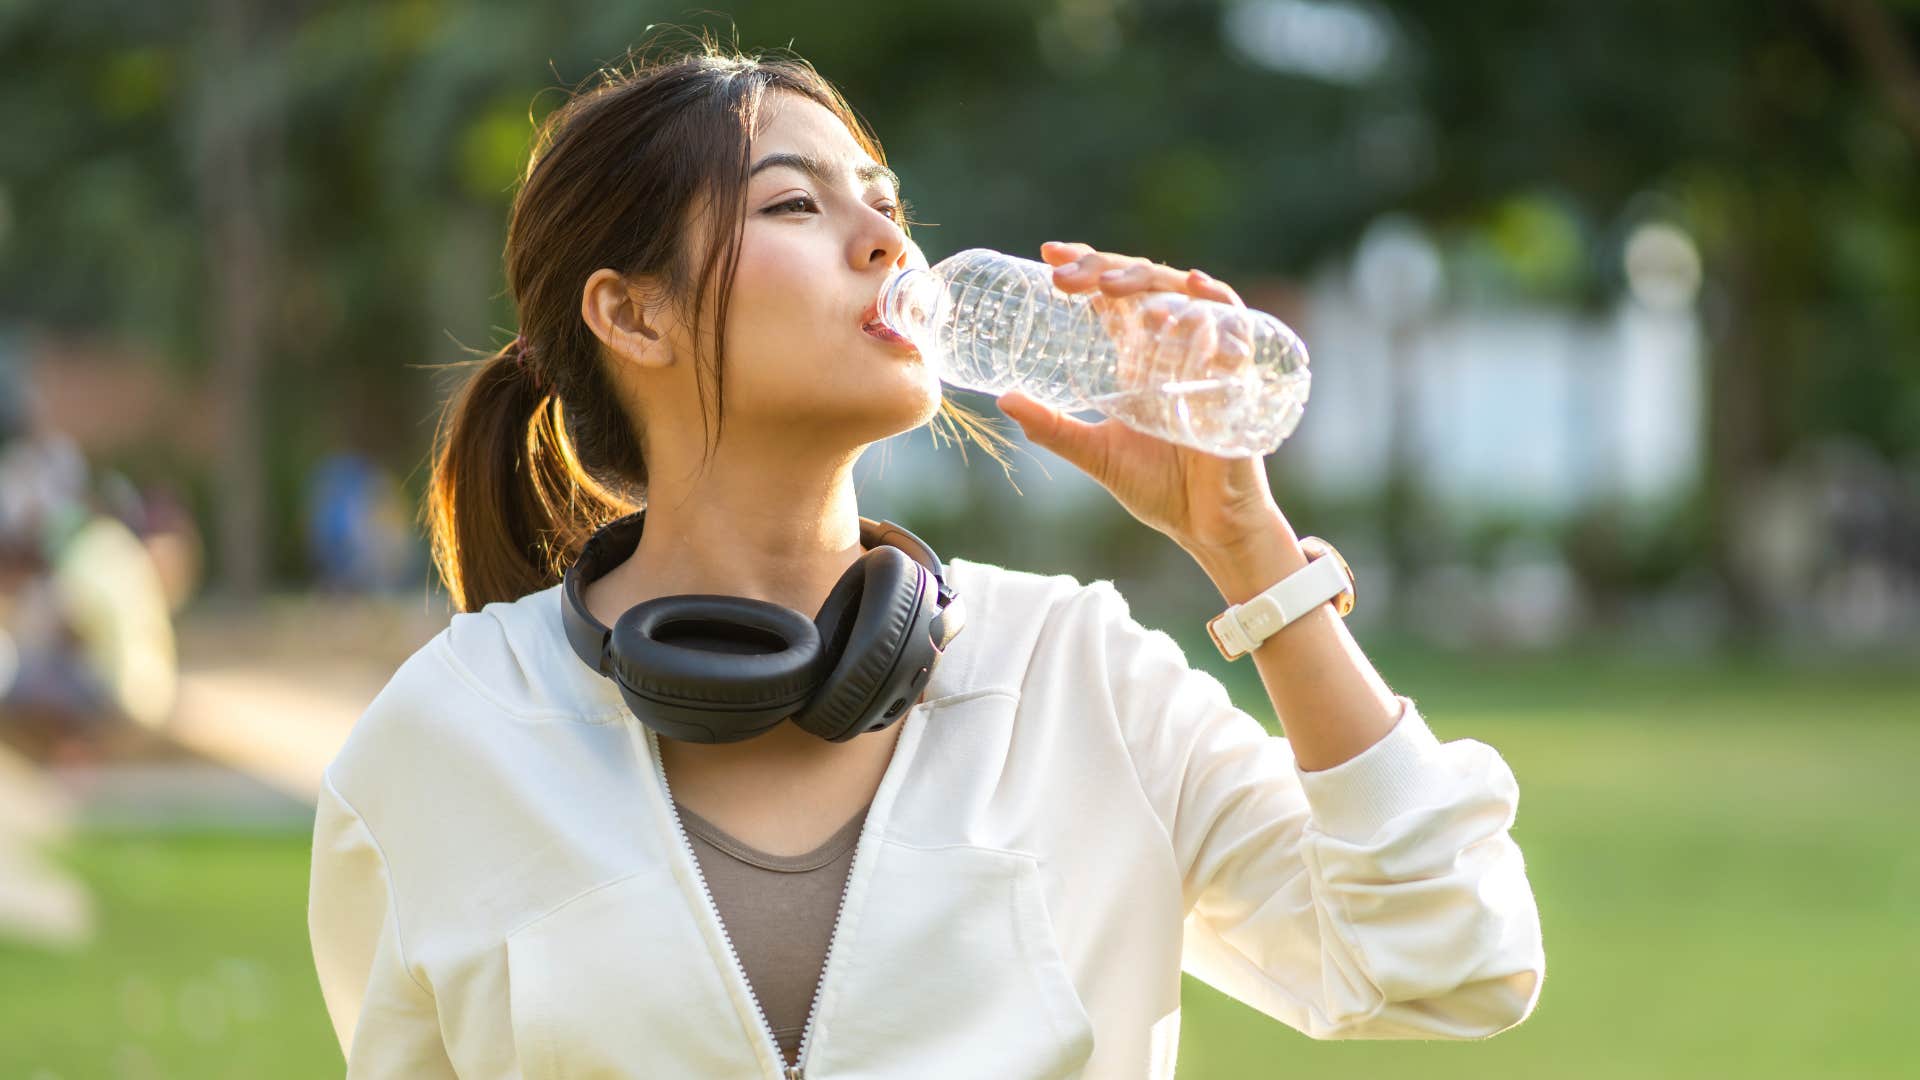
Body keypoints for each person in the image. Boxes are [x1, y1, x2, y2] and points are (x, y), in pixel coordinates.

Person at [307, 37, 1546, 1079]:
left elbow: (1455, 955)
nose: (886, 244)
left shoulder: (1078, 676)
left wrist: (1247, 547)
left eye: (886, 205)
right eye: (796, 205)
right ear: (635, 312)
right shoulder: (444, 743)